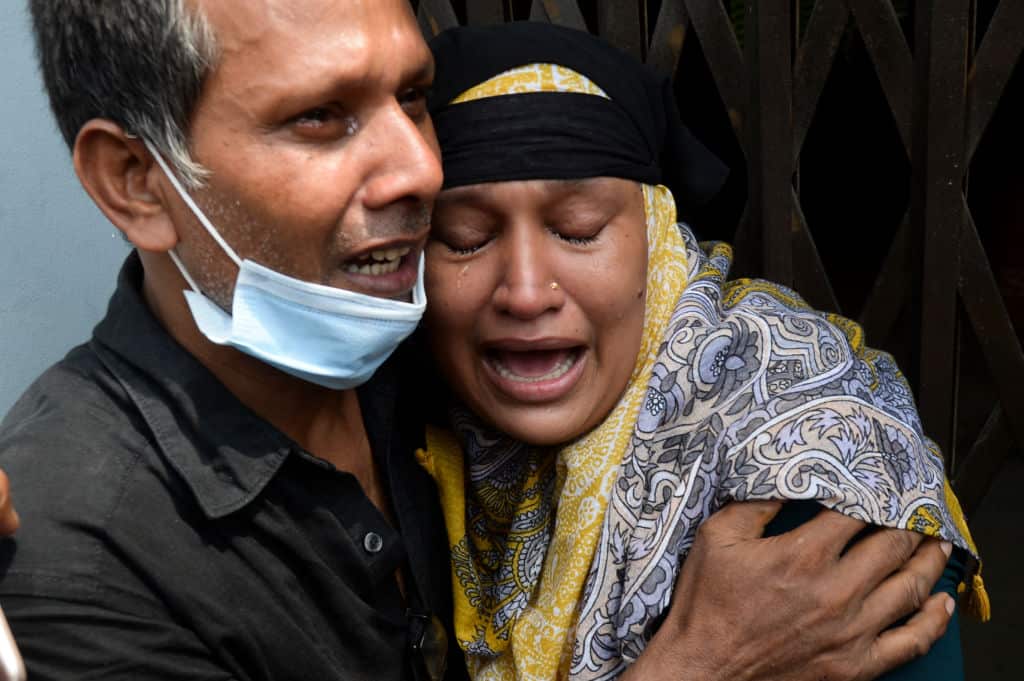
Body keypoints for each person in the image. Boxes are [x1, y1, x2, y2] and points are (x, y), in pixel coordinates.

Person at [0, 2, 959, 680]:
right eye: (322, 119)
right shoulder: (78, 553)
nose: (421, 167)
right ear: (136, 178)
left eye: (413, 96)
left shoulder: (420, 363)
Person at [415, 22, 987, 681]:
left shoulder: (808, 474)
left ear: (656, 240)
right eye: (462, 238)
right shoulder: (407, 441)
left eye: (577, 231)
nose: (523, 291)